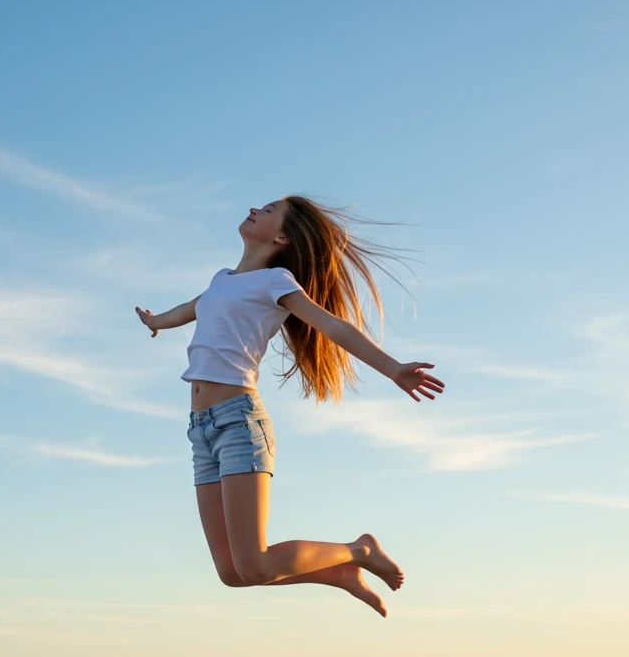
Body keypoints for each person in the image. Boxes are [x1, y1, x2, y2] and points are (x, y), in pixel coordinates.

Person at [134, 195, 445, 618]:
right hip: (201, 429)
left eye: (268, 210)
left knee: (256, 564)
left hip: (238, 423)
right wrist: (154, 322)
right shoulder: (221, 280)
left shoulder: (275, 281)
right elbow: (188, 310)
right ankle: (338, 573)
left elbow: (332, 325)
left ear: (282, 237)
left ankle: (359, 550)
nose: (254, 208)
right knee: (233, 573)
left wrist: (393, 369)